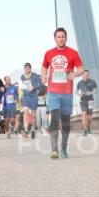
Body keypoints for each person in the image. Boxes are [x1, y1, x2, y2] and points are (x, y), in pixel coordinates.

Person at [41, 27, 84, 159]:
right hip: (53, 92)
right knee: (54, 119)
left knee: (65, 122)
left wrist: (74, 74)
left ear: (66, 38)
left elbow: (81, 69)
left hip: (67, 93)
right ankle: (54, 149)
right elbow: (44, 66)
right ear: (55, 39)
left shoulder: (73, 53)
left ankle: (64, 147)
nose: (61, 39)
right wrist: (44, 76)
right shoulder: (49, 53)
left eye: (63, 36)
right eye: (58, 37)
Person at [19, 63, 42, 138]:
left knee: (33, 114)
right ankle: (26, 129)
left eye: (28, 67)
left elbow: (40, 85)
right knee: (25, 111)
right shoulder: (22, 76)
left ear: (30, 68)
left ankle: (32, 130)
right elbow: (21, 86)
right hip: (26, 96)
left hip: (33, 97)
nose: (27, 69)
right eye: (25, 68)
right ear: (24, 69)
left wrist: (34, 87)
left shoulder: (35, 76)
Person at [76, 70, 98, 136]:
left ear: (88, 75)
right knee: (84, 113)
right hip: (83, 101)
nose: (85, 76)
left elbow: (96, 89)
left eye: (87, 75)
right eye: (84, 75)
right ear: (82, 75)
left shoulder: (92, 82)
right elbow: (77, 91)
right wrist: (79, 94)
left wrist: (91, 93)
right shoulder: (80, 83)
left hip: (91, 101)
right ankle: (85, 130)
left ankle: (88, 127)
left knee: (89, 117)